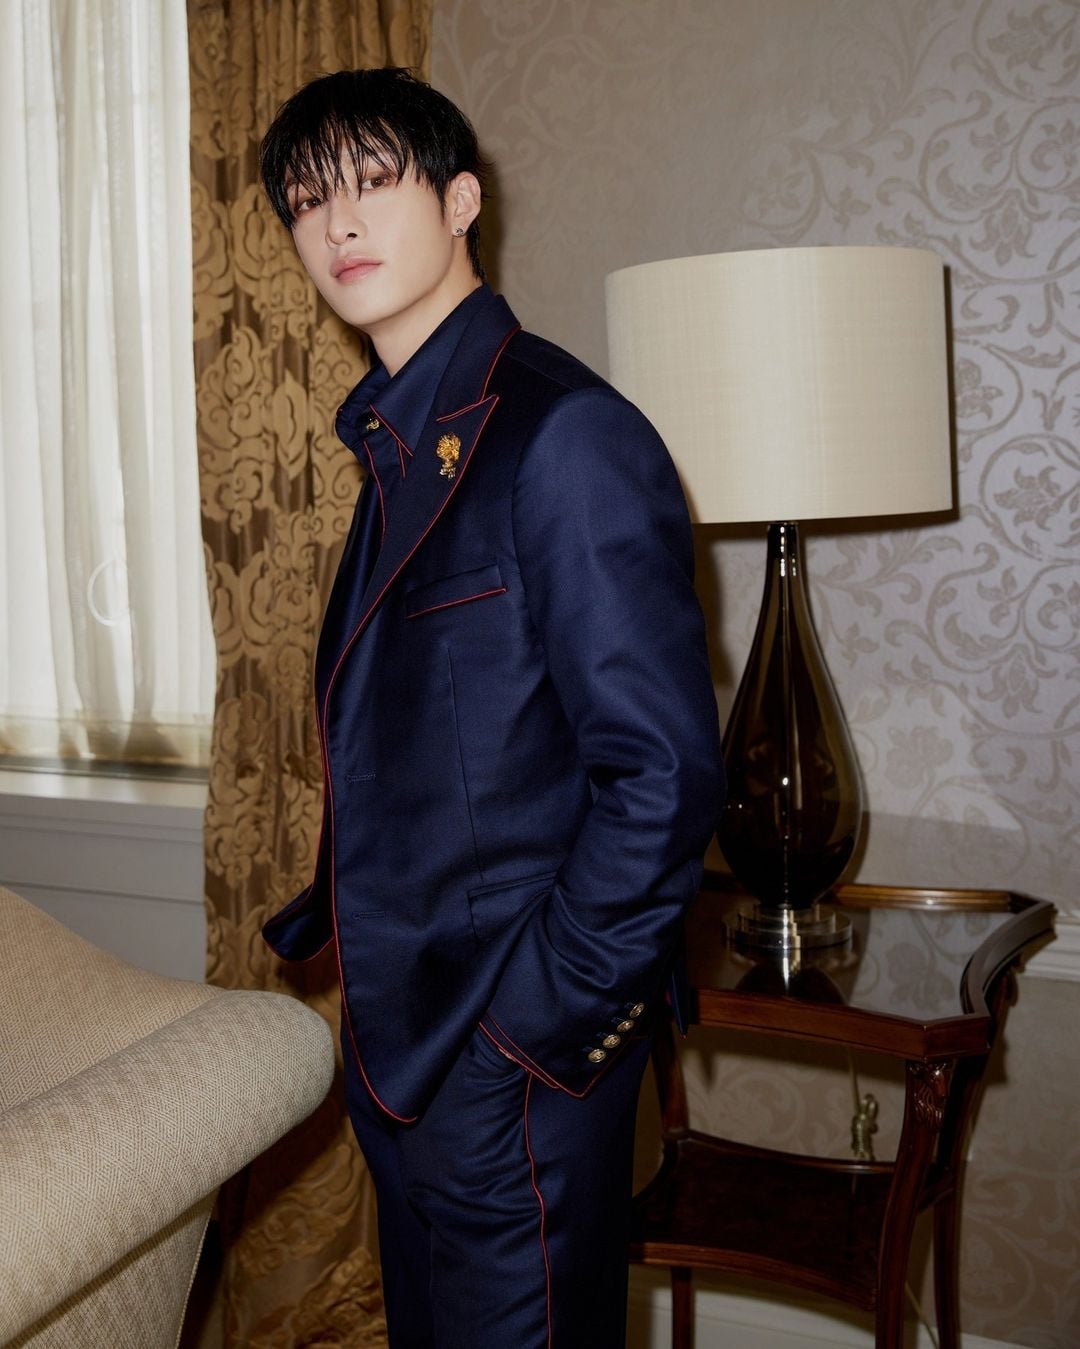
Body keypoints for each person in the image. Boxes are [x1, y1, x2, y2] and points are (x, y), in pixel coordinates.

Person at [258, 67, 724, 1349]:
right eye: (307, 201)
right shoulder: (399, 444)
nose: (338, 222)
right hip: (403, 1054)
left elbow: (664, 776)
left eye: (373, 181)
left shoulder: (563, 434)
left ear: (462, 200)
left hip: (510, 1064)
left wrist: (530, 1030)